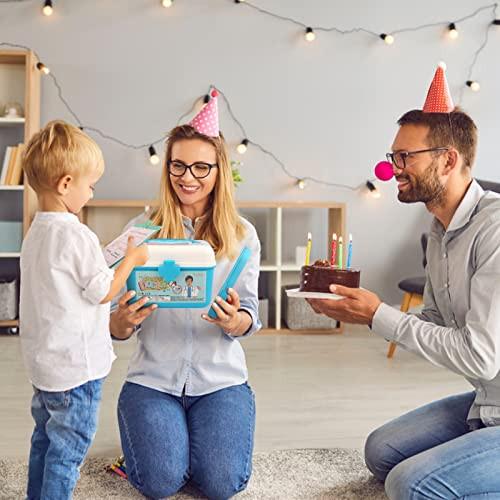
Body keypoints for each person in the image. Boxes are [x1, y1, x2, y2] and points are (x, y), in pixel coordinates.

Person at [308, 65, 500, 499]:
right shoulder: (439, 228)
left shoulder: (495, 230)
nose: (393, 167)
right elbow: (434, 319)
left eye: (405, 156)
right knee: (381, 452)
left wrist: (379, 314)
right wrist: (363, 316)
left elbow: (481, 357)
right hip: (488, 401)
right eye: (394, 155)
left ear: (448, 159)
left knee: (409, 485)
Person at [110, 91, 262, 499]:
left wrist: (235, 320)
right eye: (178, 165)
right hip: (152, 380)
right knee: (159, 483)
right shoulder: (141, 230)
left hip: (221, 381)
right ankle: (157, 444)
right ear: (167, 168)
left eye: (200, 166)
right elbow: (112, 316)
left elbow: (250, 313)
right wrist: (121, 321)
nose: (187, 177)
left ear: (219, 170)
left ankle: (183, 442)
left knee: (221, 484)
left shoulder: (243, 235)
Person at [20, 120, 148, 500]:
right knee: (68, 452)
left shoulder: (36, 232)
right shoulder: (77, 234)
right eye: (89, 185)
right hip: (77, 370)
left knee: (44, 441)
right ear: (65, 184)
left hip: (45, 367)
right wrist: (131, 258)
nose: (91, 193)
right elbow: (103, 291)